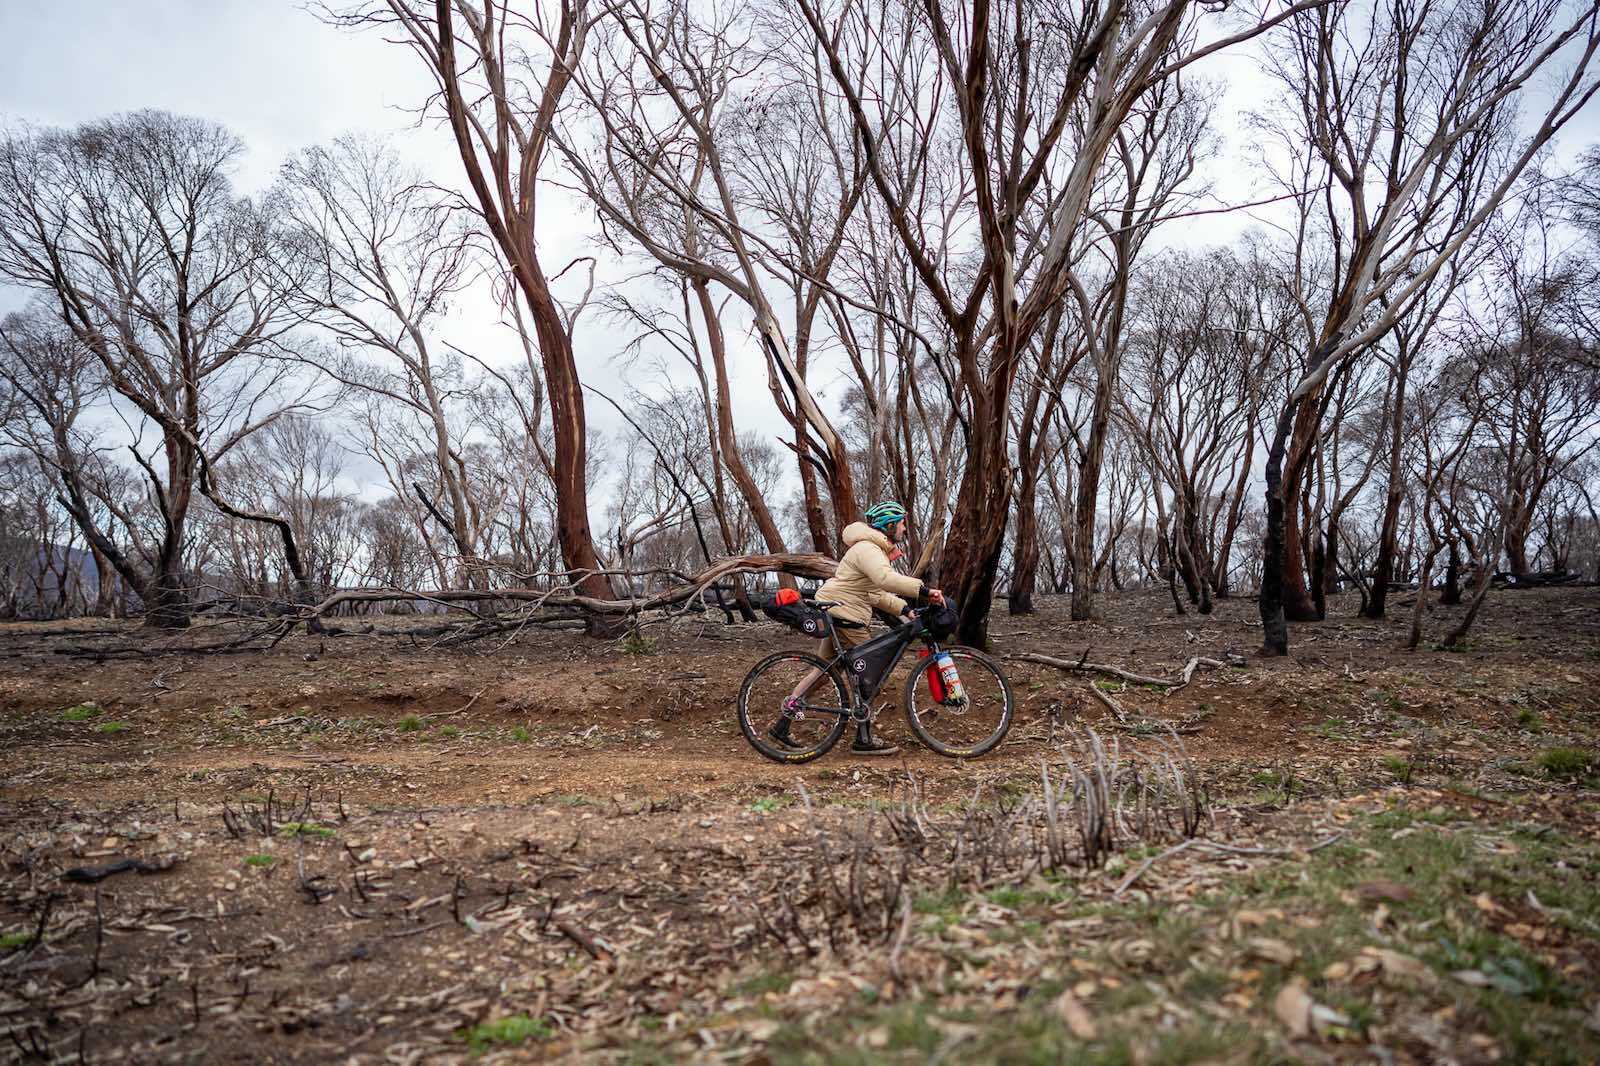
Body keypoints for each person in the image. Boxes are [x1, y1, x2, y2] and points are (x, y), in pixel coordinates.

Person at [770, 501, 946, 756]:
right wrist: (924, 591)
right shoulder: (868, 548)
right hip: (846, 615)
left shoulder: (870, 549)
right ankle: (863, 739)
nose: (904, 529)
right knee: (869, 676)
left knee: (823, 672)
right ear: (889, 525)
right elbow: (885, 580)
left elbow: (875, 594)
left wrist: (905, 610)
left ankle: (782, 724)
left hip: (839, 611)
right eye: (901, 523)